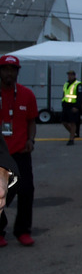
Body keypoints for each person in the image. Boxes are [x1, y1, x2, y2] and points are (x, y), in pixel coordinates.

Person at [0, 54, 37, 247]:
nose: (9, 73)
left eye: (13, 70)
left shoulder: (27, 95)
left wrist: (31, 139)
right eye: (5, 69)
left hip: (21, 152)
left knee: (26, 191)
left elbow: (31, 120)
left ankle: (23, 231)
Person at [61, 69, 82, 145]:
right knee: (64, 122)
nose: (69, 76)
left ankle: (71, 139)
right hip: (66, 105)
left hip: (73, 106)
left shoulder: (78, 84)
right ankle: (73, 133)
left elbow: (80, 97)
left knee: (73, 122)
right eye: (68, 75)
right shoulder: (66, 83)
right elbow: (64, 94)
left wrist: (77, 107)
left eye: (71, 75)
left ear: (74, 76)